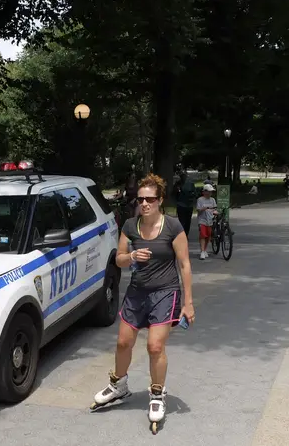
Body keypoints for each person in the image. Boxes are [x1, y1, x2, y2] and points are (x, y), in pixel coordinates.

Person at [91, 174, 194, 427]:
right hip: (137, 292)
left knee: (155, 347)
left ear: (160, 200)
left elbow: (184, 264)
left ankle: (157, 393)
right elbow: (119, 259)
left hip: (165, 292)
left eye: (150, 199)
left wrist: (188, 302)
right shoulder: (129, 225)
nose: (145, 203)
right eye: (141, 199)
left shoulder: (173, 227)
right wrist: (133, 255)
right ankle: (118, 385)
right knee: (123, 342)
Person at [196, 184, 218, 260]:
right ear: (204, 192)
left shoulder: (212, 200)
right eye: (208, 191)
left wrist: (215, 212)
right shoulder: (200, 200)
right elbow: (198, 210)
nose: (210, 193)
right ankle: (202, 251)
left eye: (211, 192)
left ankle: (205, 250)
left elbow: (214, 209)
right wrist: (204, 208)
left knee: (208, 236)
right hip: (202, 220)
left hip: (210, 220)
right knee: (203, 235)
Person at [174, 172, 197, 237]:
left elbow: (195, 193)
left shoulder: (190, 184)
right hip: (181, 205)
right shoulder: (178, 184)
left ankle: (185, 234)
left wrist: (191, 197)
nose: (183, 178)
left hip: (188, 205)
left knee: (187, 221)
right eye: (182, 177)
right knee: (182, 221)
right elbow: (174, 193)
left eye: (184, 177)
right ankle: (182, 234)